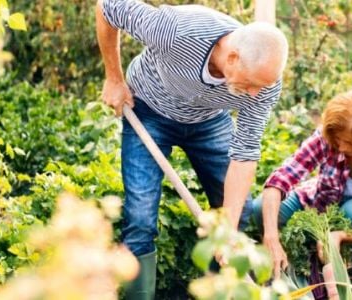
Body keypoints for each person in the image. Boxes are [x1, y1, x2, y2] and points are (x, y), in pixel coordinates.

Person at [95, 0, 288, 298]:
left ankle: (213, 291)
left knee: (237, 212)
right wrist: (113, 77)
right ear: (233, 58)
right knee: (141, 219)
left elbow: (244, 155)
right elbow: (107, 6)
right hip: (148, 110)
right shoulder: (176, 31)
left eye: (260, 87)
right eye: (250, 84)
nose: (254, 94)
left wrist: (227, 234)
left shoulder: (265, 83)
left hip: (209, 120)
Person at [252, 89, 352, 279]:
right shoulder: (329, 137)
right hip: (321, 203)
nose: (341, 147)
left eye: (351, 143)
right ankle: (291, 257)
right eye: (338, 140)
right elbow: (279, 181)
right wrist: (271, 236)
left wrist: (340, 235)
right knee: (261, 207)